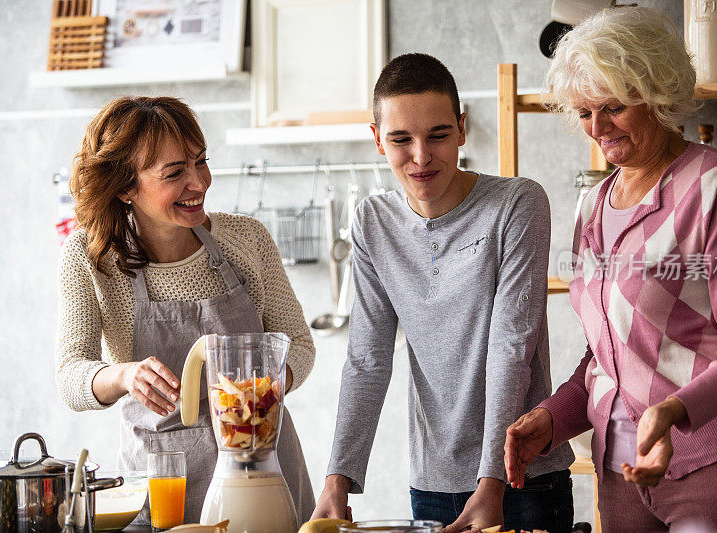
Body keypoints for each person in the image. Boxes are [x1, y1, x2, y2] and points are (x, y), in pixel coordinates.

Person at [504, 7, 717, 531]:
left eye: (612, 107)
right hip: (620, 473)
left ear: (655, 93)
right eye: (584, 112)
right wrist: (555, 418)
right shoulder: (593, 206)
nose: (597, 128)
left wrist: (673, 410)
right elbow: (608, 352)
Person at [311, 53, 575, 533]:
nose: (420, 156)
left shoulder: (518, 204)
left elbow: (511, 346)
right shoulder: (373, 222)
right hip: (433, 482)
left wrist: (492, 480)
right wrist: (337, 479)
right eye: (400, 139)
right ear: (376, 140)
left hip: (523, 477)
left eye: (437, 135)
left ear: (462, 128)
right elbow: (367, 360)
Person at [54, 96, 316, 525]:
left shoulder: (247, 240)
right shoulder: (89, 257)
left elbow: (299, 344)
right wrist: (123, 374)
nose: (199, 182)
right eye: (175, 173)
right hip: (165, 479)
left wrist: (262, 394)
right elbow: (70, 375)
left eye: (201, 161)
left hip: (264, 469)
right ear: (124, 186)